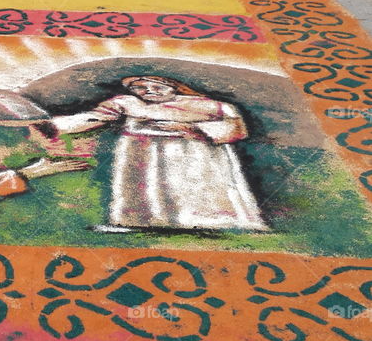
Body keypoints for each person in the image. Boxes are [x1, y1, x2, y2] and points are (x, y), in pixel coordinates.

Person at [53, 76, 268, 234]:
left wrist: (194, 129)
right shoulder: (126, 103)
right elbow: (93, 118)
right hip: (140, 151)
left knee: (189, 186)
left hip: (192, 153)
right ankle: (138, 222)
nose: (149, 91)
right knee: (142, 187)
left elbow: (235, 128)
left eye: (157, 87)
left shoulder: (210, 106)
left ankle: (204, 222)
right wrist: (53, 127)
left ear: (175, 87)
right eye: (140, 87)